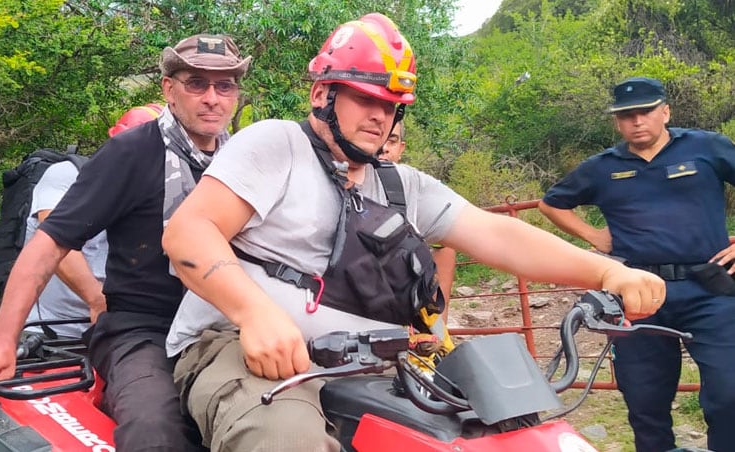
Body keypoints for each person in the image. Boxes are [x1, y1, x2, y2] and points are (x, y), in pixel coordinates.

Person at [162, 15, 665, 451]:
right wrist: (255, 315)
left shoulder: (400, 184)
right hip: (236, 343)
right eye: (363, 97)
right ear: (322, 93)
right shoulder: (276, 145)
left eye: (392, 103)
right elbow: (189, 232)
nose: (380, 115)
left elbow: (496, 234)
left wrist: (606, 271)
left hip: (366, 358)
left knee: (489, 430)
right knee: (285, 441)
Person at [0, 34, 251, 451]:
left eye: (225, 86)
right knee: (153, 432)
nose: (212, 98)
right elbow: (50, 242)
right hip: (143, 328)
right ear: (169, 88)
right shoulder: (131, 152)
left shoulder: (244, 158)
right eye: (196, 83)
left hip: (226, 324)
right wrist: (1, 341)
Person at [538, 76, 735, 452]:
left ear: (665, 111)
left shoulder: (707, 147)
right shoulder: (603, 167)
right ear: (617, 122)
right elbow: (552, 203)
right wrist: (594, 236)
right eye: (626, 115)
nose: (637, 121)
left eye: (645, 112)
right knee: (645, 402)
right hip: (637, 296)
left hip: (711, 290)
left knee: (730, 393)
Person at [23, 104, 163, 340]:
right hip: (52, 332)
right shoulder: (65, 175)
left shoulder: (159, 191)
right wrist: (97, 299)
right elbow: (54, 239)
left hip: (117, 330)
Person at [379, 120, 458, 324]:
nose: (384, 148)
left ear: (401, 148)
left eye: (392, 140)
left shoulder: (415, 188)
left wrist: (439, 323)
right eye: (379, 136)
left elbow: (444, 247)